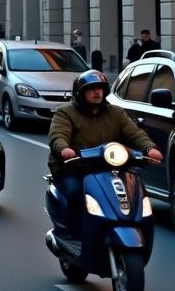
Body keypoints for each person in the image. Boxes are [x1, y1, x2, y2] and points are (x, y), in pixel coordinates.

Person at [47, 69, 162, 238]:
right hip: (76, 168)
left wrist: (149, 148)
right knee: (75, 192)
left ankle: (138, 229)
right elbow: (58, 135)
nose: (97, 92)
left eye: (100, 88)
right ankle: (73, 235)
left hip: (110, 167)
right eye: (91, 88)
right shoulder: (66, 113)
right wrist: (64, 149)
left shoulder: (116, 113)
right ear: (80, 93)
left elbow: (135, 133)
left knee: (134, 192)